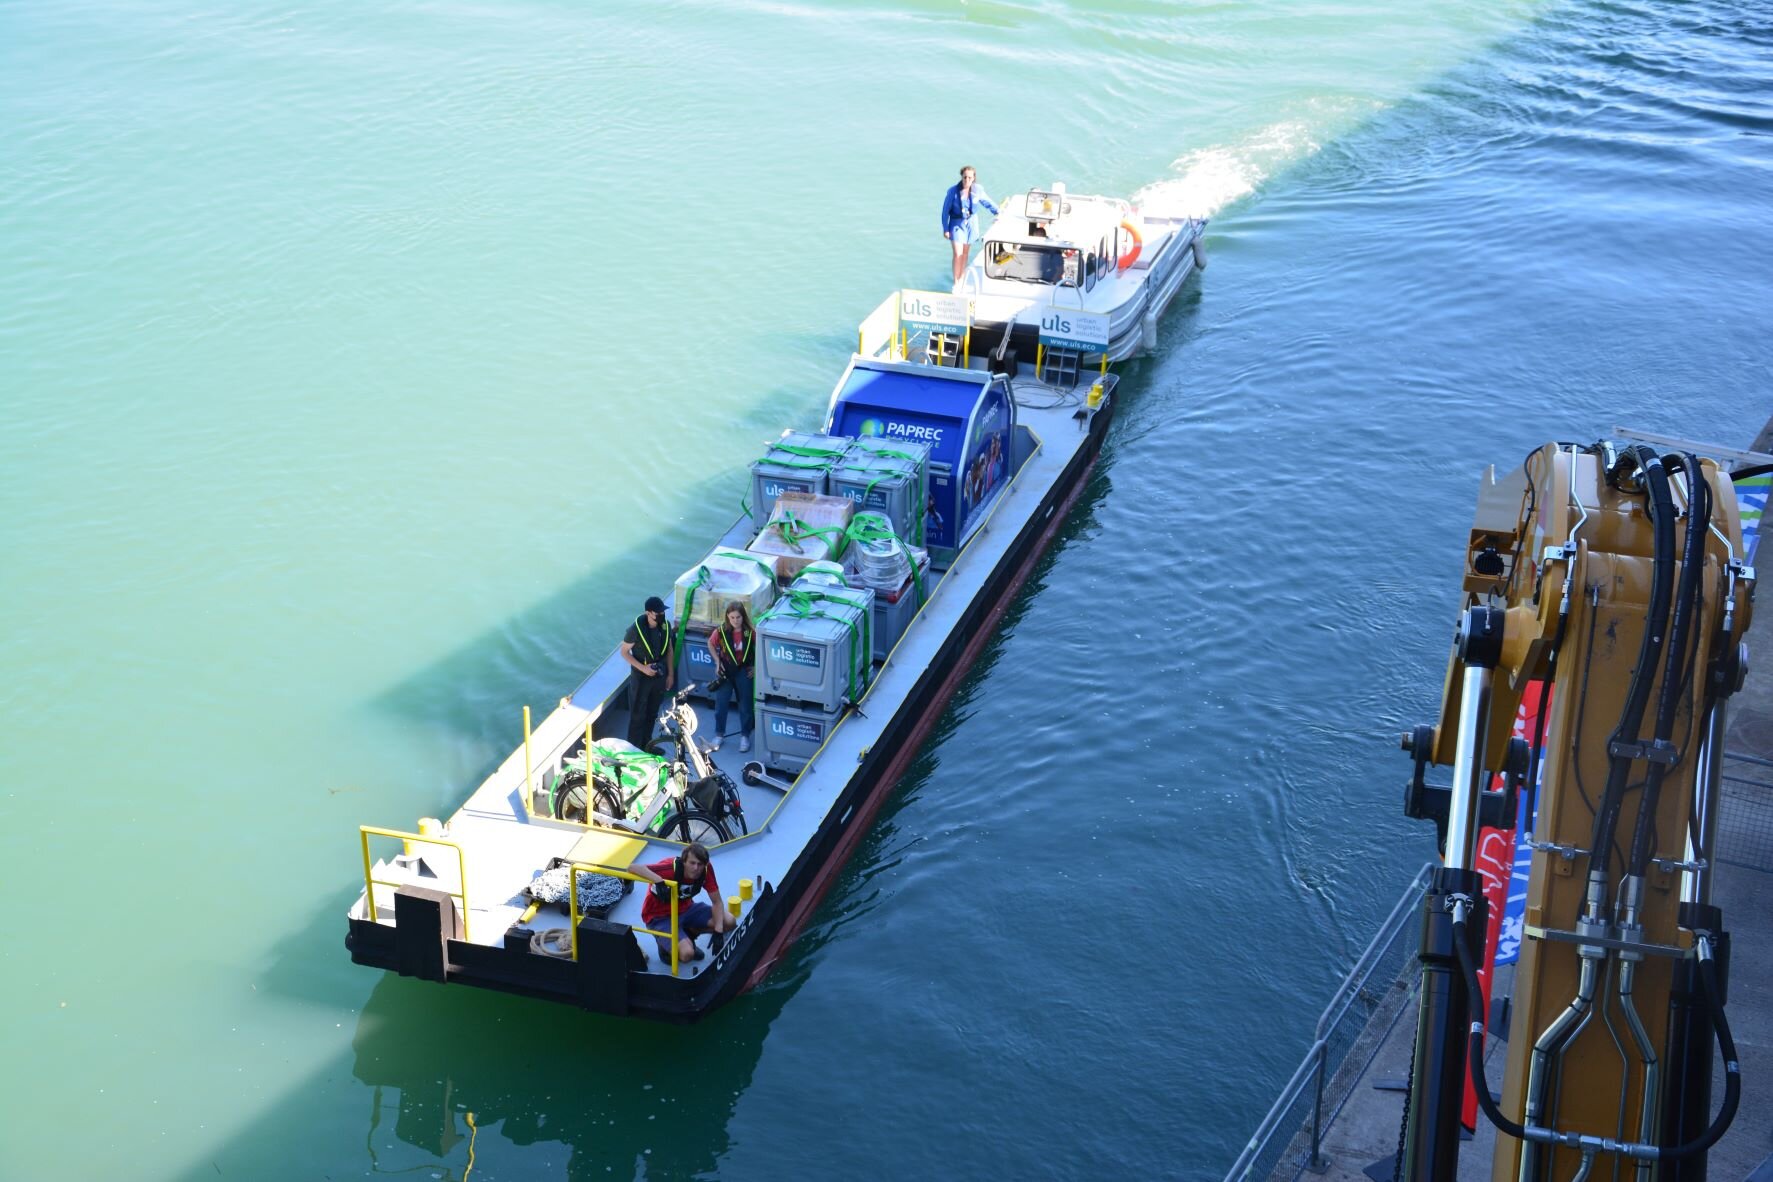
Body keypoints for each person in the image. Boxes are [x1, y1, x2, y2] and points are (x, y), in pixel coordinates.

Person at [630, 841, 730, 965]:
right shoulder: (670, 868)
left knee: (728, 922)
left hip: (685, 908)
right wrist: (658, 881)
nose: (696, 868)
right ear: (684, 861)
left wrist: (718, 932)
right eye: (692, 863)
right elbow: (632, 867)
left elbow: (717, 902)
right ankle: (665, 948)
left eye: (700, 864)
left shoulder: (705, 870)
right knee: (687, 954)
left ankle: (688, 935)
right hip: (659, 917)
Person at [621, 595, 675, 750]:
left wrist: (670, 674)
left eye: (662, 612)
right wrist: (643, 668)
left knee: (652, 713)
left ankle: (647, 744)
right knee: (638, 716)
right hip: (641, 678)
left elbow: (669, 649)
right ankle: (633, 750)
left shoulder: (665, 626)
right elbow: (624, 652)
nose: (661, 615)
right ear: (648, 613)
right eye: (658, 612)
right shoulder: (634, 630)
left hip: (659, 675)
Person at [705, 601, 755, 753]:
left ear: (743, 616)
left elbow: (761, 648)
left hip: (743, 671)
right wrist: (717, 661)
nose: (735, 620)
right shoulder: (720, 631)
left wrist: (756, 667)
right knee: (721, 705)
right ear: (727, 617)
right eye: (732, 617)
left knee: (745, 705)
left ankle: (745, 736)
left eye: (738, 617)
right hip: (726, 672)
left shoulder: (751, 632)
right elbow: (710, 644)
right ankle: (719, 734)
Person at [941, 165, 998, 284]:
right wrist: (945, 229)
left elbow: (987, 202)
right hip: (957, 224)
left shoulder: (978, 190)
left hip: (971, 224)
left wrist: (998, 212)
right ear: (961, 177)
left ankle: (961, 276)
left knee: (965, 253)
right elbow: (945, 211)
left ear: (973, 178)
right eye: (965, 177)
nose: (967, 180)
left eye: (969, 178)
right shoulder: (953, 192)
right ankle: (956, 280)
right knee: (957, 253)